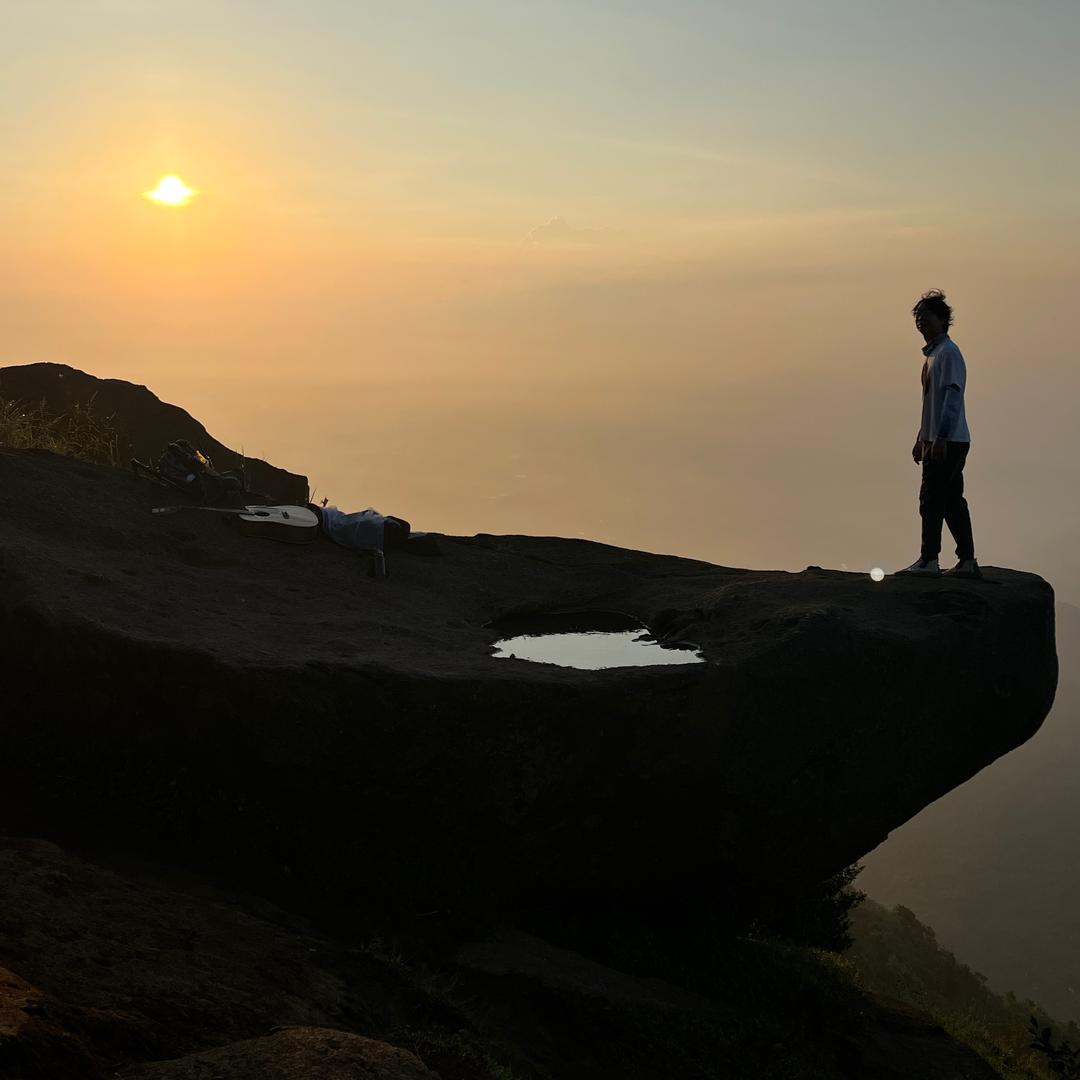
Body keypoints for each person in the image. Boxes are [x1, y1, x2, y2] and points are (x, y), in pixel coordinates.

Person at [895, 289, 981, 579]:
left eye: (926, 316)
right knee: (951, 501)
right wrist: (922, 437)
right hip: (941, 439)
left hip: (948, 440)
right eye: (918, 317)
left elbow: (952, 397)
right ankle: (966, 561)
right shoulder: (934, 356)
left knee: (931, 499)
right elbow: (931, 404)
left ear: (943, 319)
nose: (921, 322)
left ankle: (929, 559)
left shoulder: (948, 354)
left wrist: (940, 437)